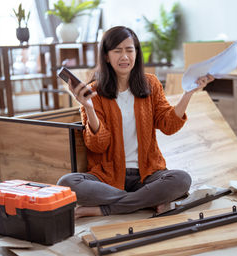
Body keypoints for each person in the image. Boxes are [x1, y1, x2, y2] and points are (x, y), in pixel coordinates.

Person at [57, 26, 214, 218]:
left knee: (181, 179)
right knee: (66, 183)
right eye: (117, 51)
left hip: (148, 175)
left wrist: (188, 93)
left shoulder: (151, 84)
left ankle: (105, 208)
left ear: (136, 53)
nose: (124, 56)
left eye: (129, 50)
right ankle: (145, 202)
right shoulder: (93, 93)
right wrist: (88, 107)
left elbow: (169, 125)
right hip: (108, 176)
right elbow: (98, 145)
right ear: (106, 56)